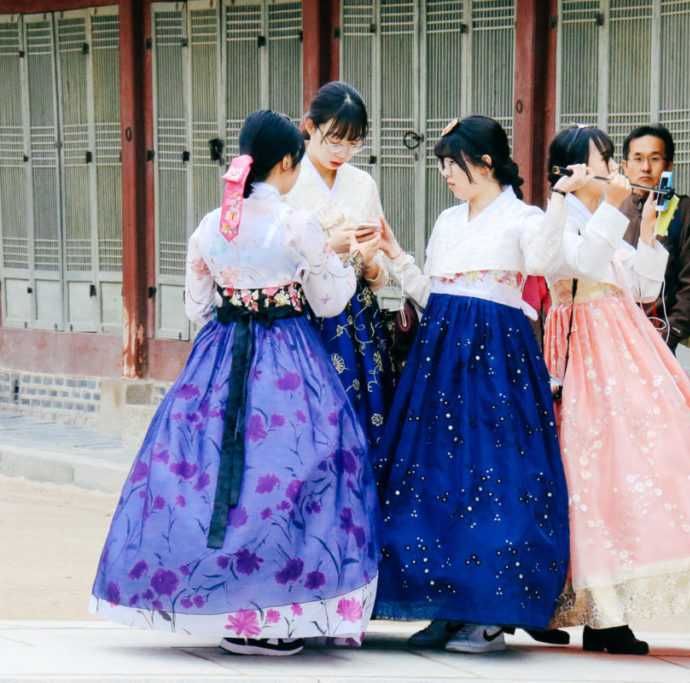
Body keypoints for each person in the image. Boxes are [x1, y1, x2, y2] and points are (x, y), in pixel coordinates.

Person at [89, 111, 380, 656]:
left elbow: (197, 305)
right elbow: (331, 300)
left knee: (209, 473)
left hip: (221, 357)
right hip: (289, 357)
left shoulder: (210, 224)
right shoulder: (296, 224)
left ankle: (219, 602)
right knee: (298, 469)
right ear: (288, 161)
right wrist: (344, 252)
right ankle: (279, 609)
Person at [541, 125, 690, 654]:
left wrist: (643, 234)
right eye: (602, 162)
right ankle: (570, 603)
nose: (614, 172)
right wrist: (605, 209)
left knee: (630, 474)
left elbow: (643, 287)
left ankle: (610, 613)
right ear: (572, 172)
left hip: (623, 351)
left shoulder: (611, 218)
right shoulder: (557, 219)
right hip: (584, 359)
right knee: (584, 476)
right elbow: (575, 267)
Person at [370, 115, 577, 654]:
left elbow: (552, 263)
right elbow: (431, 292)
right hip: (439, 356)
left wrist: (559, 202)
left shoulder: (524, 217)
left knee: (495, 477)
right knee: (433, 478)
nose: (445, 174)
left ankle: (491, 611)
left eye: (451, 163)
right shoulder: (447, 220)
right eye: (442, 164)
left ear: (485, 162)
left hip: (496, 357)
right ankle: (443, 602)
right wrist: (395, 255)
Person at [285, 81, 395, 454]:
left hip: (356, 314)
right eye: (334, 139)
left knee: (361, 417)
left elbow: (377, 271)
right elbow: (269, 254)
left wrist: (369, 261)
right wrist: (327, 248)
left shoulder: (362, 183)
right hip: (302, 313)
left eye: (353, 143)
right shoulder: (287, 177)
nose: (343, 152)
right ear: (309, 127)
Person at [620, 124, 690, 350]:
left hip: (658, 339)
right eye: (637, 159)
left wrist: (670, 333)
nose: (645, 167)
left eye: (654, 159)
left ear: (669, 166)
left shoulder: (684, 212)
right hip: (612, 335)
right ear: (625, 166)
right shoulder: (613, 209)